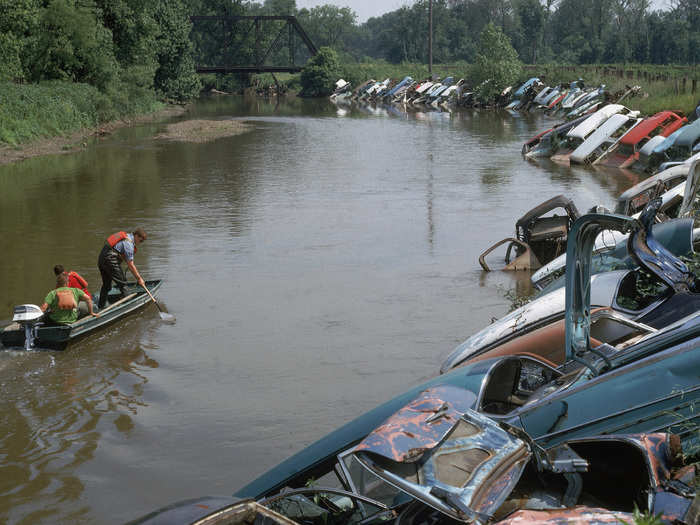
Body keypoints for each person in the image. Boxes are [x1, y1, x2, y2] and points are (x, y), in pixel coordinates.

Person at [97, 228, 147, 309]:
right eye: (140, 241)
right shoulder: (129, 244)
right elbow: (131, 265)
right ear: (136, 236)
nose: (140, 243)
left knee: (106, 285)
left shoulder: (126, 236)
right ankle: (131, 306)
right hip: (110, 260)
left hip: (102, 259)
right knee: (123, 284)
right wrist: (139, 279)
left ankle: (101, 306)